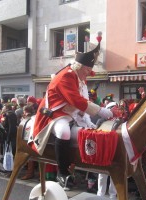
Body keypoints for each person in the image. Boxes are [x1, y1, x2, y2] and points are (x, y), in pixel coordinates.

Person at [28, 33, 114, 187]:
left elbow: (82, 103)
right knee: (64, 132)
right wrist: (101, 111)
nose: (89, 73)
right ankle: (62, 172)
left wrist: (88, 120)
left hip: (70, 114)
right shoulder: (66, 76)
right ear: (81, 66)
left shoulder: (79, 76)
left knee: (87, 131)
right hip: (54, 115)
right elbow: (77, 100)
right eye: (88, 70)